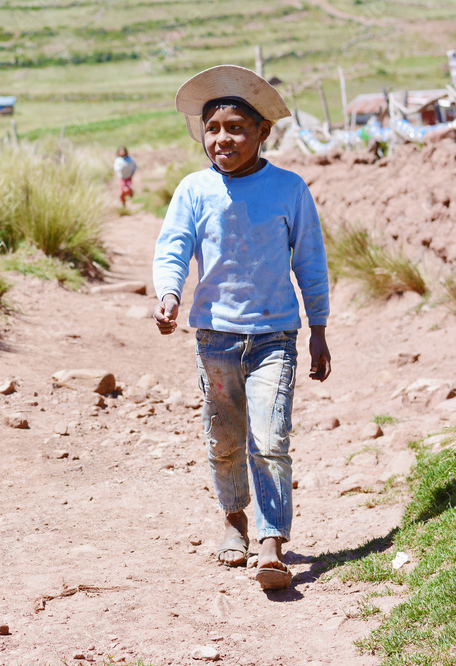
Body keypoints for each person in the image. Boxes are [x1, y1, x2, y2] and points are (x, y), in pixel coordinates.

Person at [151, 65, 332, 591]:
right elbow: (174, 247)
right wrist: (168, 293)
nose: (223, 138)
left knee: (271, 438)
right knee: (225, 438)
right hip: (216, 336)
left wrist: (317, 326)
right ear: (202, 134)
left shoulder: (289, 188)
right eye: (213, 128)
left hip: (276, 335)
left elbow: (311, 260)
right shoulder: (193, 189)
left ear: (262, 132)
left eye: (236, 128)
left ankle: (272, 543)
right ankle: (234, 521)